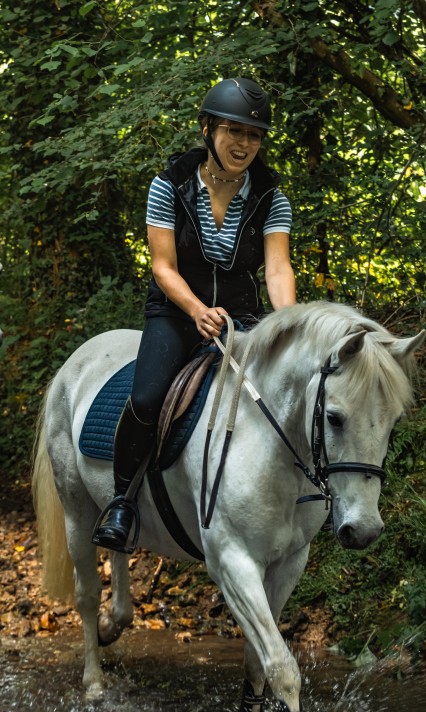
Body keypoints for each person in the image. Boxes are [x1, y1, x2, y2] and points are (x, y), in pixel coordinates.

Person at [92, 77, 296, 553]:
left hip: (243, 315)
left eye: (254, 135)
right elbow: (162, 266)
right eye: (234, 131)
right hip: (177, 311)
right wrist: (197, 310)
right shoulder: (168, 185)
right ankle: (122, 501)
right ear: (207, 129)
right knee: (145, 398)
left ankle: (309, 500)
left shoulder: (271, 197)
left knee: (291, 391)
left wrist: (290, 323)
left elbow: (278, 268)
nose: (245, 144)